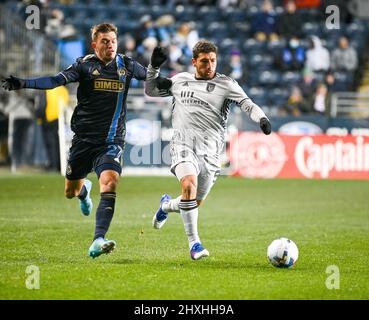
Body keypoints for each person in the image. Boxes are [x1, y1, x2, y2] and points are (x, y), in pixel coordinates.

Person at [1, 23, 148, 259]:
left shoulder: (128, 65)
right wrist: (23, 83)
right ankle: (83, 192)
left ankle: (98, 239)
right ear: (94, 44)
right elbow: (55, 81)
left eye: (113, 41)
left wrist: (162, 72)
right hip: (83, 141)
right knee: (70, 191)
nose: (110, 45)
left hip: (111, 141)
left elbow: (152, 81)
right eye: (104, 41)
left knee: (110, 182)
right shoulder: (84, 65)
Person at [145, 40, 271, 260]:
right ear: (194, 62)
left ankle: (166, 205)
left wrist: (261, 118)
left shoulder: (227, 85)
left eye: (213, 60)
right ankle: (195, 245)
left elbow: (247, 104)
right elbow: (151, 90)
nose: (209, 65)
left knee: (193, 202)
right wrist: (153, 68)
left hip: (211, 153)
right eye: (204, 61)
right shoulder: (180, 81)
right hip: (183, 145)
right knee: (188, 185)